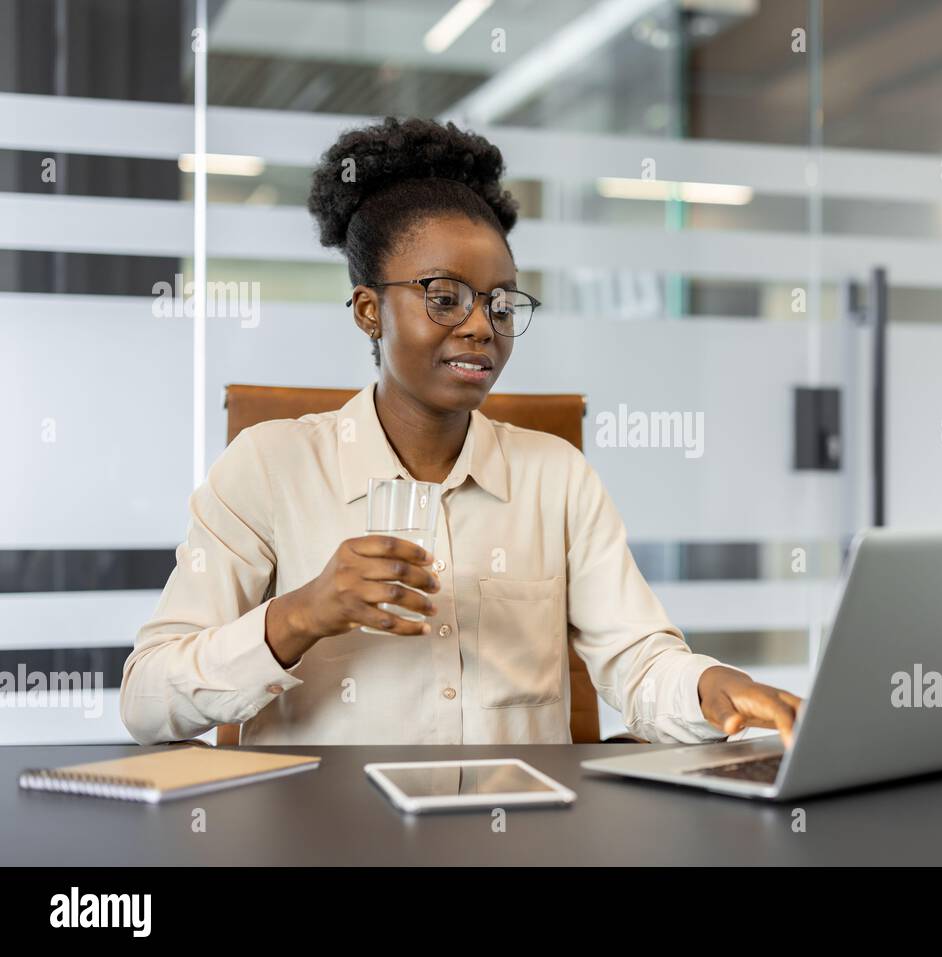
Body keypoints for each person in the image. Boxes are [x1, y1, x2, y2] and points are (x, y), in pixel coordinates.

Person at [120, 117, 802, 747]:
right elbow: (147, 701)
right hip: (327, 836)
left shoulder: (555, 476)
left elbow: (638, 661)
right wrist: (300, 614)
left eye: (500, 303)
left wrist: (715, 689)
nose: (480, 325)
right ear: (368, 310)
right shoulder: (269, 467)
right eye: (444, 297)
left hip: (523, 831)